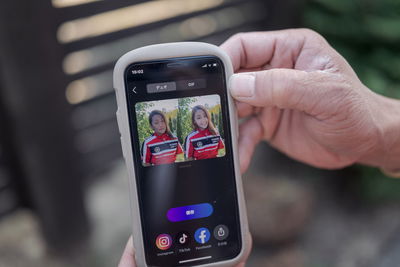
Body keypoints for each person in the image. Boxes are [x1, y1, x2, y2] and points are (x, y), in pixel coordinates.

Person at [119, 29, 400, 266]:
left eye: (204, 114)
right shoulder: (170, 141)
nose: (202, 119)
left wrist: (382, 136)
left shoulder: (210, 137)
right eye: (198, 116)